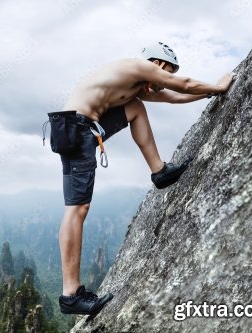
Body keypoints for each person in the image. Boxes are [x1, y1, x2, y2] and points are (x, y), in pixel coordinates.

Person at [54, 42, 235, 316]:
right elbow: (182, 84)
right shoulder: (139, 66)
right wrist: (218, 86)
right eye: (168, 72)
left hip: (75, 128)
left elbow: (175, 96)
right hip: (77, 129)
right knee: (77, 209)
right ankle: (70, 295)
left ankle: (159, 170)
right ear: (158, 63)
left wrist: (209, 94)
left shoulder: (134, 86)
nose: (164, 82)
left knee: (136, 107)